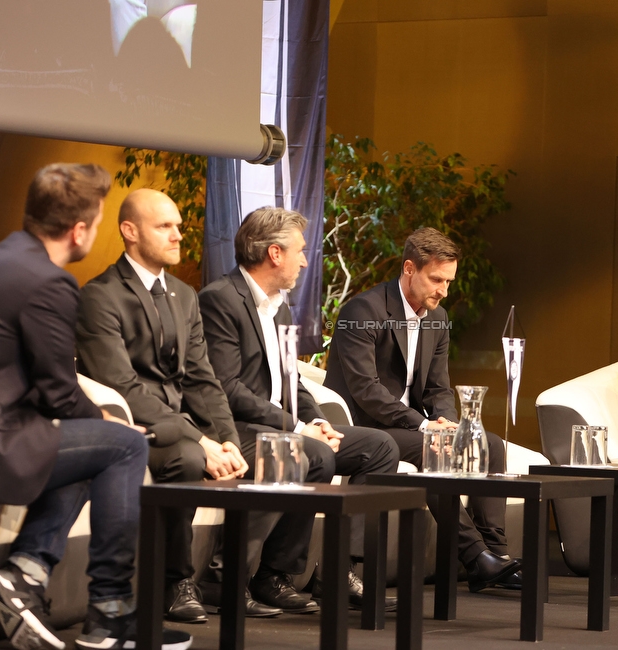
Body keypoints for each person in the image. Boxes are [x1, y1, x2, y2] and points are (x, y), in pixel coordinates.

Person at [0, 165, 191, 650]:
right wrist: (108, 422)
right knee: (121, 445)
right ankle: (111, 612)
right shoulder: (47, 281)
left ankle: (27, 573)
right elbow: (58, 391)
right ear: (80, 230)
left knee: (99, 445)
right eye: (97, 223)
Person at [197, 206, 400, 611]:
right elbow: (226, 387)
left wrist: (317, 420)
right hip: (238, 427)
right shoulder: (220, 299)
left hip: (282, 427)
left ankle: (330, 571)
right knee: (310, 453)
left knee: (380, 448)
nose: (306, 260)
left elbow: (293, 380)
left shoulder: (281, 307)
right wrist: (295, 428)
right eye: (301, 251)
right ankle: (228, 578)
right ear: (275, 253)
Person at [75, 188, 251, 624]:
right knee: (188, 457)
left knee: (246, 455)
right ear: (129, 232)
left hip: (179, 422)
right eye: (165, 226)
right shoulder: (100, 296)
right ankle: (175, 581)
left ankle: (243, 580)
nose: (178, 236)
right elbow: (123, 387)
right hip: (134, 426)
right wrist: (200, 440)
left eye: (178, 226)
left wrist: (228, 442)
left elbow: (201, 378)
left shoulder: (183, 294)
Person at [324, 227, 522, 592]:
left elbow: (438, 386)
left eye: (449, 282)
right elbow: (366, 391)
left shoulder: (438, 317)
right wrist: (425, 427)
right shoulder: (363, 311)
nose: (444, 290)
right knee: (436, 450)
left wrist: (446, 420)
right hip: (369, 428)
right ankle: (476, 556)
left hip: (412, 425)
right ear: (410, 268)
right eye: (437, 280)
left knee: (489, 444)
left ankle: (497, 555)